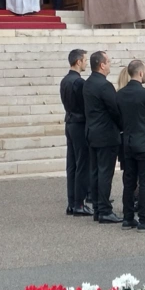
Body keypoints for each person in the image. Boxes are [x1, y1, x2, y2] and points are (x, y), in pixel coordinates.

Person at [114, 60, 145, 231]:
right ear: (141, 73)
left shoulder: (119, 94)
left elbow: (117, 118)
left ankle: (128, 218)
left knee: (129, 181)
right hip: (144, 144)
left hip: (127, 143)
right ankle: (144, 219)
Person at [82, 51, 123, 224]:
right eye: (109, 61)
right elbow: (115, 110)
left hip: (92, 132)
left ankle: (98, 208)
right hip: (106, 135)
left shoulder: (88, 83)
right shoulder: (104, 86)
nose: (110, 64)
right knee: (105, 173)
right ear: (102, 65)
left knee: (95, 172)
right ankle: (105, 210)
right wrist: (122, 126)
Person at [60, 49, 92, 217]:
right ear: (78, 62)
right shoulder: (79, 82)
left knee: (72, 164)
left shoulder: (65, 80)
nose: (86, 63)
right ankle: (79, 202)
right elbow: (84, 105)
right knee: (81, 164)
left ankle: (72, 202)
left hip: (70, 122)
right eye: (85, 60)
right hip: (79, 123)